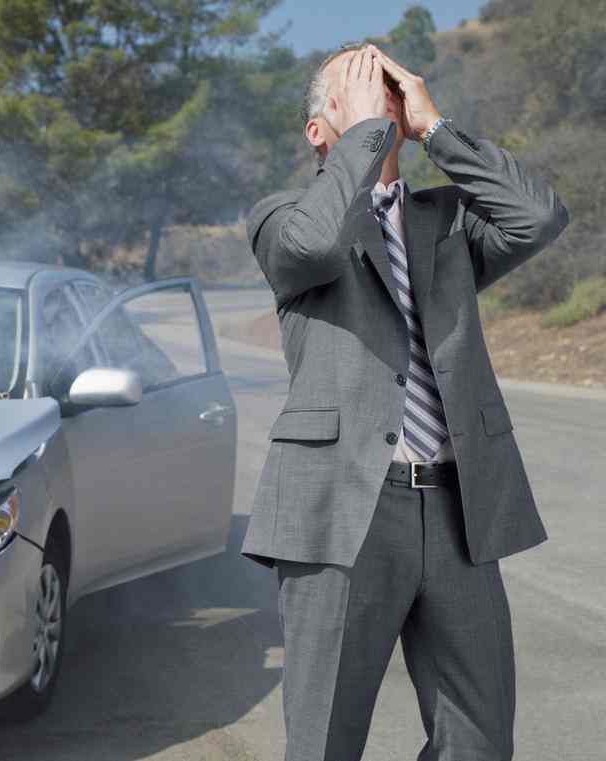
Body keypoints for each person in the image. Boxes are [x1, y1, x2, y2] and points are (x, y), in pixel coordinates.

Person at [242, 42, 570, 760]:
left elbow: (539, 217)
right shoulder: (283, 217)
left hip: (459, 510)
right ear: (317, 132)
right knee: (325, 740)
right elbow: (317, 247)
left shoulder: (448, 220)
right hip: (342, 512)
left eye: (385, 86)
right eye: (353, 91)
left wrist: (435, 129)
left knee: (480, 742)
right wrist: (366, 135)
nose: (376, 98)